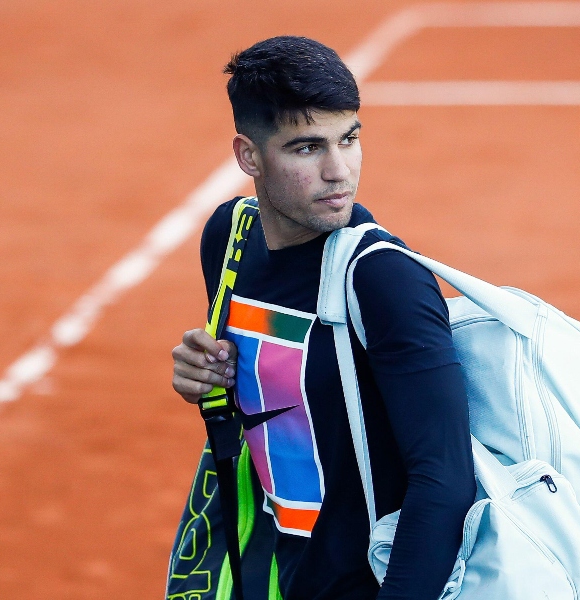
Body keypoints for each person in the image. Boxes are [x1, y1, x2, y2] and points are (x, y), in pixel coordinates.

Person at [171, 36, 475, 600]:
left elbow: (445, 480)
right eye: (308, 148)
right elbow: (280, 399)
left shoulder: (382, 279)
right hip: (268, 570)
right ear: (249, 156)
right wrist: (207, 374)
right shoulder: (230, 239)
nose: (339, 171)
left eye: (349, 138)